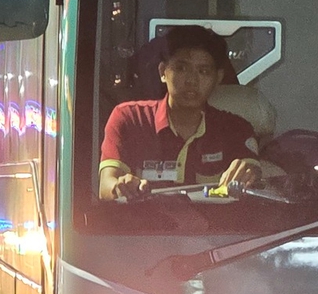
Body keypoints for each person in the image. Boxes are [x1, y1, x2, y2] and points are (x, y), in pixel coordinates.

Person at [98, 25, 267, 200]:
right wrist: (120, 186)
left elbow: (252, 173)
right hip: (145, 225)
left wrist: (249, 174)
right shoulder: (130, 119)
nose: (191, 80)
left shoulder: (235, 129)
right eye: (181, 68)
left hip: (216, 227)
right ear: (163, 72)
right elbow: (106, 184)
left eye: (203, 71)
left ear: (218, 79)